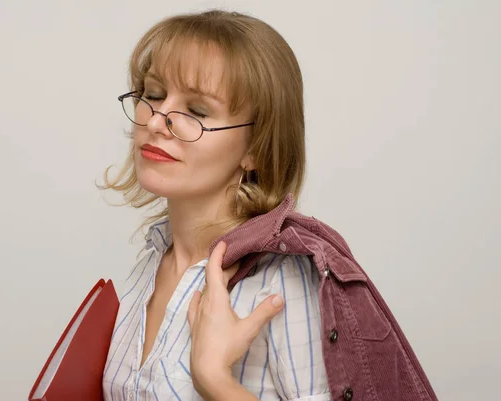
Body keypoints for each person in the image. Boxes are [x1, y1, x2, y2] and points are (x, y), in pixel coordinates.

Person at [99, 9, 437, 401]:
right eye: (153, 95)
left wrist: (215, 380)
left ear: (255, 150)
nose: (157, 121)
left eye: (197, 111)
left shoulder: (282, 284)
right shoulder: (151, 261)